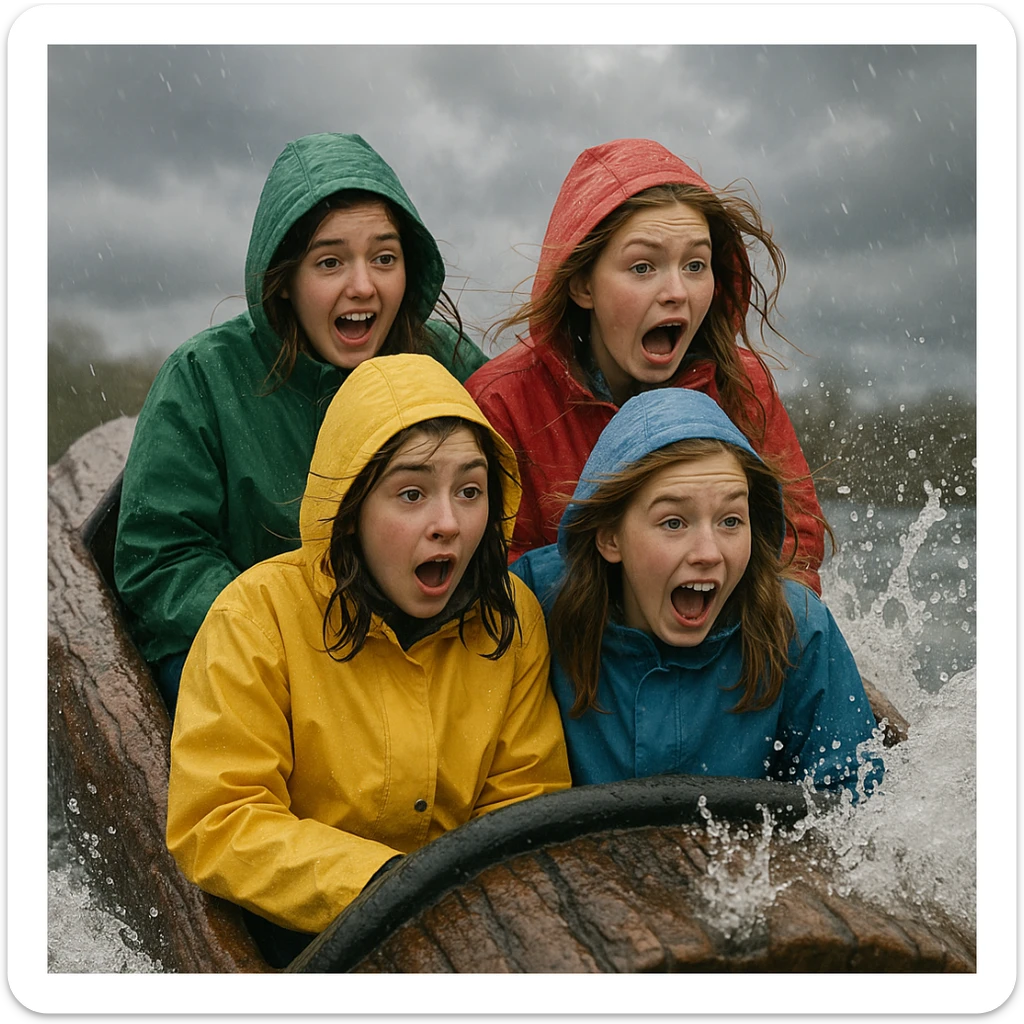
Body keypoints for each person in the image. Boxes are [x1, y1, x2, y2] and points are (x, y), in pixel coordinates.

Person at [166, 353, 571, 963]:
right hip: (296, 942)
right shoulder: (254, 617)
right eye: (412, 493)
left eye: (470, 491)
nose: (448, 523)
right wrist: (385, 886)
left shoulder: (511, 617)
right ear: (349, 510)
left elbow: (525, 803)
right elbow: (221, 822)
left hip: (459, 930)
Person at [114, 133, 487, 708]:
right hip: (253, 660)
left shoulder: (447, 364)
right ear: (284, 278)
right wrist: (294, 641)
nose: (362, 285)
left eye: (384, 258)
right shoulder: (202, 377)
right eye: (330, 261)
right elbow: (161, 556)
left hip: (414, 653)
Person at [467, 138, 827, 592]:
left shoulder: (742, 383)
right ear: (582, 284)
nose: (677, 291)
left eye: (696, 265)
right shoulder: (500, 401)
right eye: (643, 268)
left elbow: (796, 551)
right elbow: (484, 575)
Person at [511, 388, 882, 801]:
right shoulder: (531, 606)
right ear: (609, 536)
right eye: (673, 523)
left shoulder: (798, 626)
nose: (709, 553)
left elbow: (855, 806)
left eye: (730, 521)